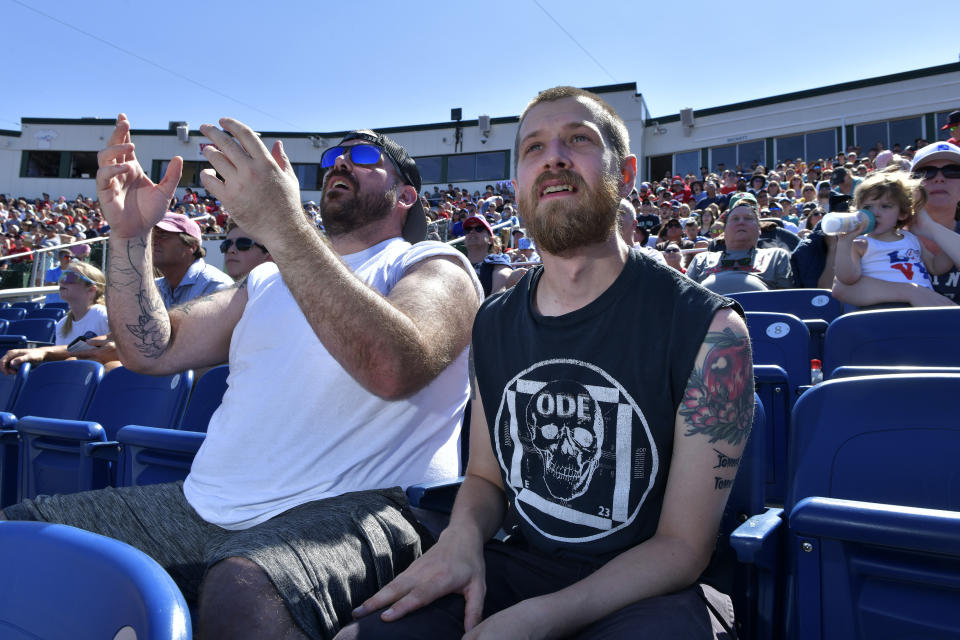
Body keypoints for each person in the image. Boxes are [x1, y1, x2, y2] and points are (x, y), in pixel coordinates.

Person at [2, 115, 483, 640]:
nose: (341, 162)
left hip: (366, 509)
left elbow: (395, 367)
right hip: (206, 507)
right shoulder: (267, 278)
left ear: (406, 196)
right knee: (19, 534)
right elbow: (149, 350)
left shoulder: (433, 265)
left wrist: (282, 224)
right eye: (332, 157)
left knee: (244, 591)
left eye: (366, 158)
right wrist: (129, 237)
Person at [341, 86, 750, 639]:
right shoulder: (493, 321)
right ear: (517, 187)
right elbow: (486, 477)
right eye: (533, 147)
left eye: (578, 139)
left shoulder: (712, 331)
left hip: (651, 590)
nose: (553, 155)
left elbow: (682, 547)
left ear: (624, 172)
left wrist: (541, 619)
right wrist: (461, 539)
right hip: (519, 564)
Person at [833, 142, 960, 306]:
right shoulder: (860, 244)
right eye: (927, 173)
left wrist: (935, 231)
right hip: (889, 318)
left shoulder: (910, 240)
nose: (940, 179)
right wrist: (911, 292)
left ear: (902, 212)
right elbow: (843, 285)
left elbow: (937, 266)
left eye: (953, 171)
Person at [686, 193, 793, 293]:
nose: (741, 222)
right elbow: (683, 298)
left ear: (759, 229)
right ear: (724, 230)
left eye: (748, 218)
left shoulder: (776, 257)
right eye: (735, 219)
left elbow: (785, 300)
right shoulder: (702, 260)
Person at [152, 211, 233, 306]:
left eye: (163, 235)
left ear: (192, 247)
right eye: (152, 236)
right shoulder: (153, 286)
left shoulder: (215, 286)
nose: (153, 241)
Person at [463, 215, 524, 297]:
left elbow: (500, 290)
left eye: (479, 229)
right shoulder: (458, 263)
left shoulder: (494, 261)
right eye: (468, 229)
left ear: (491, 240)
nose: (472, 232)